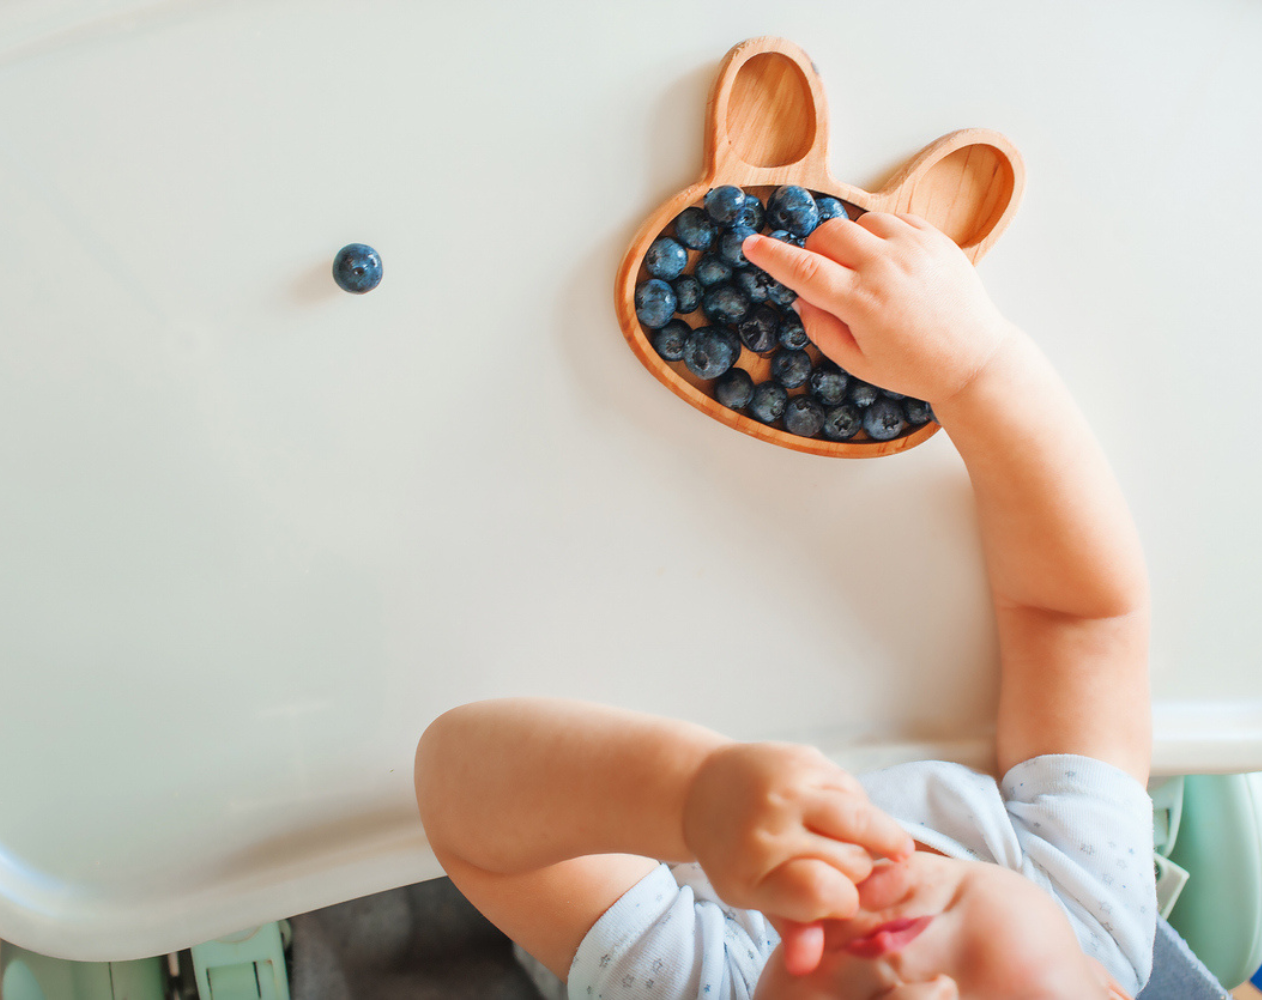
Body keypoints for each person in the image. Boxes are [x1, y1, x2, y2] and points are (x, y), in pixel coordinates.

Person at [414, 210, 1155, 999]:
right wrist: (977, 371)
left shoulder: (710, 983)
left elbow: (463, 813)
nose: (914, 994)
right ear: (1105, 990)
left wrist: (687, 798)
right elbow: (1076, 618)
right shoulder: (1089, 907)